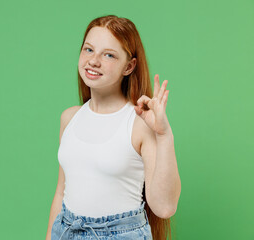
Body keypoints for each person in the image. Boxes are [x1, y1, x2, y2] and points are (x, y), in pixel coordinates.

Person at [46, 15, 181, 240]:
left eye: (108, 55)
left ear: (128, 66)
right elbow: (61, 192)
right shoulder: (69, 118)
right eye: (89, 50)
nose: (94, 61)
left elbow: (165, 208)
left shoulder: (139, 124)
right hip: (66, 230)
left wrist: (164, 135)